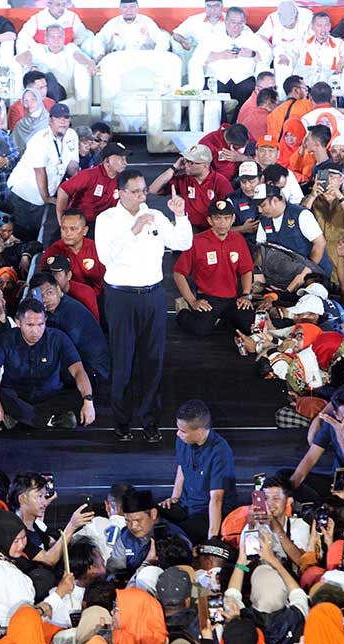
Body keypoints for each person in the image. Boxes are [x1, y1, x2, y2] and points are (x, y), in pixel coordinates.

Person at [94, 168, 192, 442]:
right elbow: (106, 258)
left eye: (143, 190)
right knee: (123, 361)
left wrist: (181, 215)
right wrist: (134, 231)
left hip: (153, 295)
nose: (141, 195)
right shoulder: (107, 219)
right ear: (121, 192)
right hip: (121, 297)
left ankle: (150, 422)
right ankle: (122, 423)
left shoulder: (156, 215)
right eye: (135, 191)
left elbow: (182, 242)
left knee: (152, 361)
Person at [0, 298, 95, 430]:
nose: (36, 331)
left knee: (80, 395)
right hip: (17, 395)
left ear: (45, 321)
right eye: (30, 325)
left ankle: (22, 418)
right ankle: (50, 420)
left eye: (40, 324)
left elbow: (78, 370)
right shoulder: (5, 339)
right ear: (18, 323)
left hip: (49, 396)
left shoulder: (58, 338)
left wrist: (88, 400)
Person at [173, 199, 255, 336]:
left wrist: (246, 295)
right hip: (208, 298)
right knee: (201, 330)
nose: (222, 223)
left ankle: (222, 318)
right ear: (210, 220)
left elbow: (246, 269)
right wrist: (192, 301)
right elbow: (178, 273)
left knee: (250, 326)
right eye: (217, 218)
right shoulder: (196, 241)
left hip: (233, 298)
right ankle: (182, 309)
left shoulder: (238, 240)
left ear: (233, 219)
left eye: (226, 218)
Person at [160, 399, 237, 541]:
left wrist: (212, 539)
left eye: (183, 431)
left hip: (206, 511)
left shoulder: (220, 452)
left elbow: (216, 499)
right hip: (186, 504)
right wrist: (175, 497)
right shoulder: (183, 441)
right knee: (151, 515)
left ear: (200, 431)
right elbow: (182, 467)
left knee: (177, 536)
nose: (178, 434)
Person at [7, 102, 79, 240]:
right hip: (23, 194)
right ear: (50, 120)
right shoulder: (40, 139)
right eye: (58, 118)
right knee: (21, 237)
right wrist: (46, 197)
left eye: (66, 118)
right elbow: (40, 171)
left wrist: (78, 186)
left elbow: (72, 165)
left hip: (42, 196)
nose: (63, 121)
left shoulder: (72, 135)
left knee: (36, 235)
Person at [29, 271, 109, 384]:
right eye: (41, 296)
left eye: (49, 292)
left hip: (95, 370)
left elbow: (63, 352)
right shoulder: (51, 311)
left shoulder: (70, 313)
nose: (46, 299)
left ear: (58, 289)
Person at [191, 7, 270, 116]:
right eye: (233, 22)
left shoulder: (252, 38)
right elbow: (197, 58)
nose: (237, 27)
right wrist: (220, 55)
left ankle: (236, 126)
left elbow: (267, 56)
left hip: (243, 79)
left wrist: (252, 54)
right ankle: (221, 128)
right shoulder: (212, 37)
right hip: (217, 78)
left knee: (252, 95)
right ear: (226, 21)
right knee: (212, 98)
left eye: (240, 23)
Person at [149, 144, 232, 231]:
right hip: (189, 226)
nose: (186, 165)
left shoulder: (220, 182)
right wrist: (174, 168)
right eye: (185, 161)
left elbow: (229, 210)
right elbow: (153, 189)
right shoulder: (184, 179)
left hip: (212, 229)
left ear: (205, 165)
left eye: (191, 162)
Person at [56, 141, 129, 225]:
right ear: (107, 161)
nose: (125, 163)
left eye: (125, 159)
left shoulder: (122, 179)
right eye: (121, 159)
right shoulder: (89, 175)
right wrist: (61, 221)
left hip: (105, 223)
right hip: (81, 223)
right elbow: (63, 190)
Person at [92, 0, 170, 61]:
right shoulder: (113, 23)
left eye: (132, 7)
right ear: (120, 9)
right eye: (125, 7)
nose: (128, 10)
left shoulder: (146, 21)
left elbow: (162, 40)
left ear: (137, 9)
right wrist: (100, 54)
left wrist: (156, 56)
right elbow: (99, 38)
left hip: (144, 59)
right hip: (120, 59)